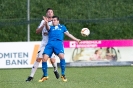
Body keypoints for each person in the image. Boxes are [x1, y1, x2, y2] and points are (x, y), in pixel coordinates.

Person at [38, 16, 81, 82]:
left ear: (58, 21)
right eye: (52, 20)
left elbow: (69, 34)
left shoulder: (62, 27)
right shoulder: (50, 27)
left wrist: (76, 39)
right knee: (44, 59)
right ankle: (45, 75)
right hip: (50, 44)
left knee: (62, 57)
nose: (53, 21)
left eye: (55, 20)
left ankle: (63, 75)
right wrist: (46, 22)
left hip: (58, 44)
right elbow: (47, 27)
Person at [26, 8, 59, 82]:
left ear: (53, 14)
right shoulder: (42, 21)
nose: (50, 13)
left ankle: (55, 70)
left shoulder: (55, 22)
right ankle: (31, 76)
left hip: (51, 44)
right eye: (48, 12)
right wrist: (43, 24)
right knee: (38, 59)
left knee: (53, 60)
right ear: (46, 14)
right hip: (44, 44)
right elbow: (37, 31)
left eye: (51, 12)